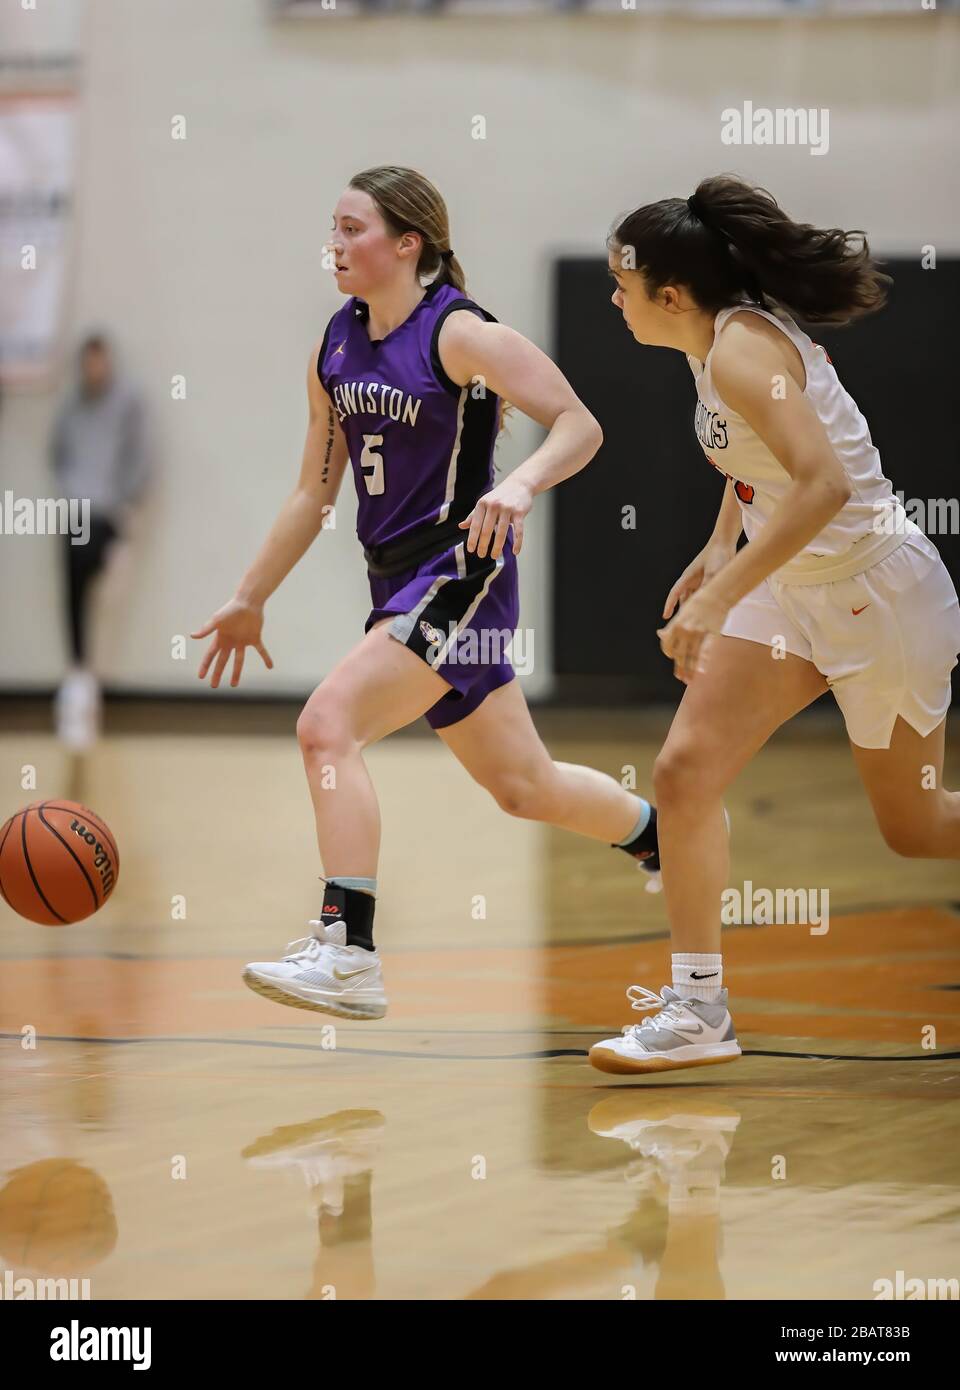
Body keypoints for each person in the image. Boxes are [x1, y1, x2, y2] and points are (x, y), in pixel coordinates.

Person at [191, 165, 660, 1020]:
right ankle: (658, 834)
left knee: (326, 726)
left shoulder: (460, 334)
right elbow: (313, 492)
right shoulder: (334, 346)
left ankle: (348, 951)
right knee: (523, 786)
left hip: (461, 572)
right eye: (331, 227)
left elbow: (579, 424)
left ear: (408, 243)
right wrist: (250, 595)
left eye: (352, 227)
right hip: (396, 582)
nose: (334, 243)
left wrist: (518, 488)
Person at [590, 174, 960, 1075]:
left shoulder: (741, 353)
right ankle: (698, 1009)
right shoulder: (704, 343)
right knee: (682, 775)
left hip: (879, 594)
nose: (612, 298)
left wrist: (717, 600)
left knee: (913, 829)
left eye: (621, 284)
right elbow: (746, 459)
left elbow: (824, 483)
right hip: (789, 587)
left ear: (669, 295)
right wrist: (722, 552)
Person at [50, 333, 151, 748]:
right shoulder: (70, 408)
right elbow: (56, 454)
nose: (94, 370)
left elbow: (140, 458)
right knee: (73, 591)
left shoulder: (127, 404)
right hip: (76, 509)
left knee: (103, 593)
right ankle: (78, 677)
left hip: (109, 513)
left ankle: (89, 679)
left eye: (99, 362)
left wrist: (126, 505)